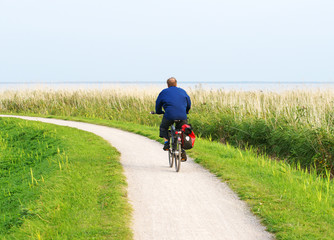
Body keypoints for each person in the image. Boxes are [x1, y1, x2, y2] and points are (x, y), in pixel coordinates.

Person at [155, 77, 191, 161]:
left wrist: (159, 111)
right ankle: (182, 150)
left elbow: (158, 104)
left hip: (169, 115)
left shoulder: (164, 92)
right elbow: (188, 103)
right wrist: (187, 111)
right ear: (176, 84)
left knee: (163, 127)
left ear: (167, 85)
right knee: (182, 130)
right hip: (182, 115)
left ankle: (167, 143)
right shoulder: (182, 91)